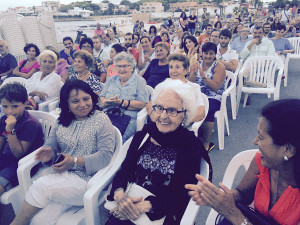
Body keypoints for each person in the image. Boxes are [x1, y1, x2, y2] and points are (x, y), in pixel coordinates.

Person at [104, 78, 212, 225]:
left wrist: (145, 206)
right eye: (159, 108)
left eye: (172, 110)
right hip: (129, 204)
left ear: (185, 114)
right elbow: (124, 171)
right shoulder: (144, 135)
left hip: (163, 213)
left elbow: (183, 193)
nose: (162, 116)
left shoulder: (189, 145)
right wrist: (120, 195)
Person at [11, 79, 115, 225]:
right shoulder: (62, 120)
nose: (83, 105)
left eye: (86, 99)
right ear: (67, 103)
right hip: (61, 178)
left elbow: (105, 156)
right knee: (38, 220)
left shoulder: (101, 119)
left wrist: (74, 161)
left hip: (88, 181)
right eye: (75, 101)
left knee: (41, 186)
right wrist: (49, 154)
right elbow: (51, 145)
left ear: (92, 98)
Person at [186, 99, 300, 225]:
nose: (255, 141)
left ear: (288, 150)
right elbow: (243, 195)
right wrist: (219, 198)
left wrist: (236, 217)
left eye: (261, 137)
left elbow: (236, 216)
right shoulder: (263, 162)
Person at [0, 83, 43, 197]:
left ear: (25, 103)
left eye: (14, 106)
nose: (9, 111)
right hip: (5, 158)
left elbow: (18, 154)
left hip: (22, 165)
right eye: (5, 106)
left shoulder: (30, 124)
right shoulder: (4, 119)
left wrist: (10, 130)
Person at [100, 52, 149, 143]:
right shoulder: (111, 80)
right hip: (107, 116)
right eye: (119, 66)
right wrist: (106, 101)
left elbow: (143, 104)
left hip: (127, 118)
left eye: (125, 66)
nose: (122, 69)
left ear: (132, 67)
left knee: (114, 141)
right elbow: (101, 97)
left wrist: (121, 103)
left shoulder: (139, 81)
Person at [189, 42, 226, 151]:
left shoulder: (219, 66)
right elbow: (191, 83)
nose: (208, 56)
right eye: (206, 53)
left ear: (215, 54)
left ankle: (206, 143)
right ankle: (190, 135)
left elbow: (215, 87)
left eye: (211, 54)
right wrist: (194, 73)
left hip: (214, 96)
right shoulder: (197, 64)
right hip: (198, 94)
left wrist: (204, 76)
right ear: (202, 53)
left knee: (207, 109)